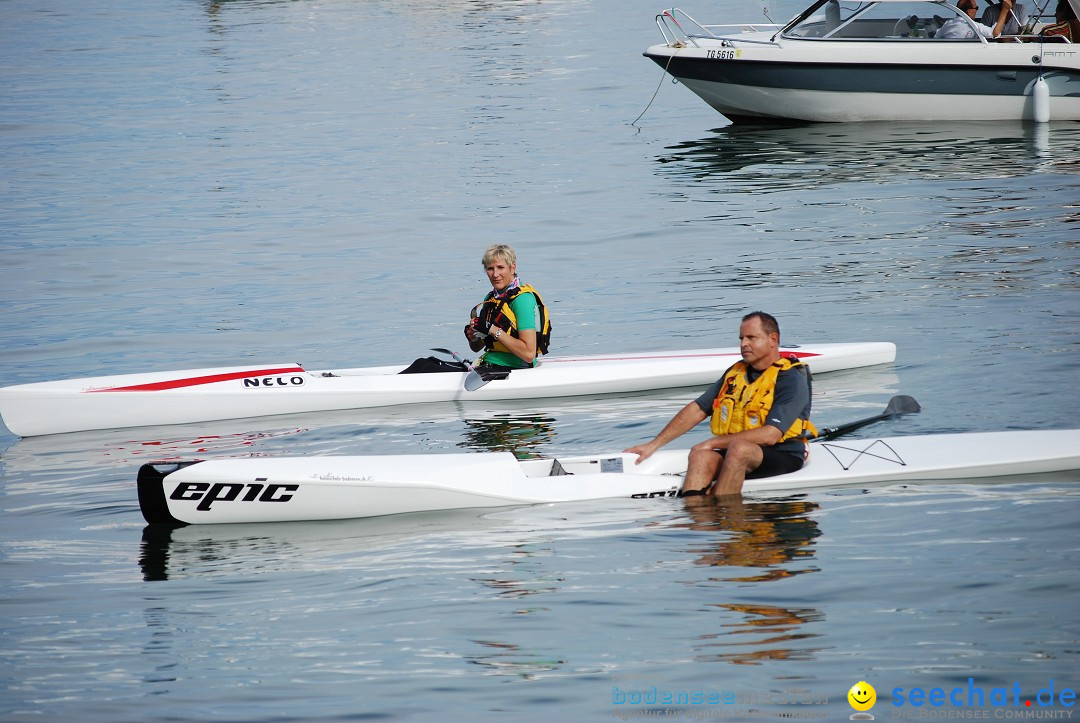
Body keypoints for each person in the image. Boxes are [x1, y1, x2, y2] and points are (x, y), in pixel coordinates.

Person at [624, 312, 817, 497]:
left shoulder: (790, 379)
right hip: (737, 451)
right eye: (741, 338)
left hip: (783, 454)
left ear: (773, 340)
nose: (744, 344)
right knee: (700, 455)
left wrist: (712, 443)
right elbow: (698, 408)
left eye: (751, 337)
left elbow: (770, 435)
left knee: (737, 448)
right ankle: (695, 514)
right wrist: (653, 445)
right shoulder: (735, 373)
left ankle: (723, 513)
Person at [464, 244, 551, 370]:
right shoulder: (490, 299)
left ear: (512, 268)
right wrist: (473, 337)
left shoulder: (522, 300)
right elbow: (476, 348)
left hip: (516, 368)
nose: (495, 274)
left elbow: (529, 354)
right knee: (426, 364)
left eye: (500, 267)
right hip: (490, 363)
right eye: (490, 268)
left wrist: (492, 329)